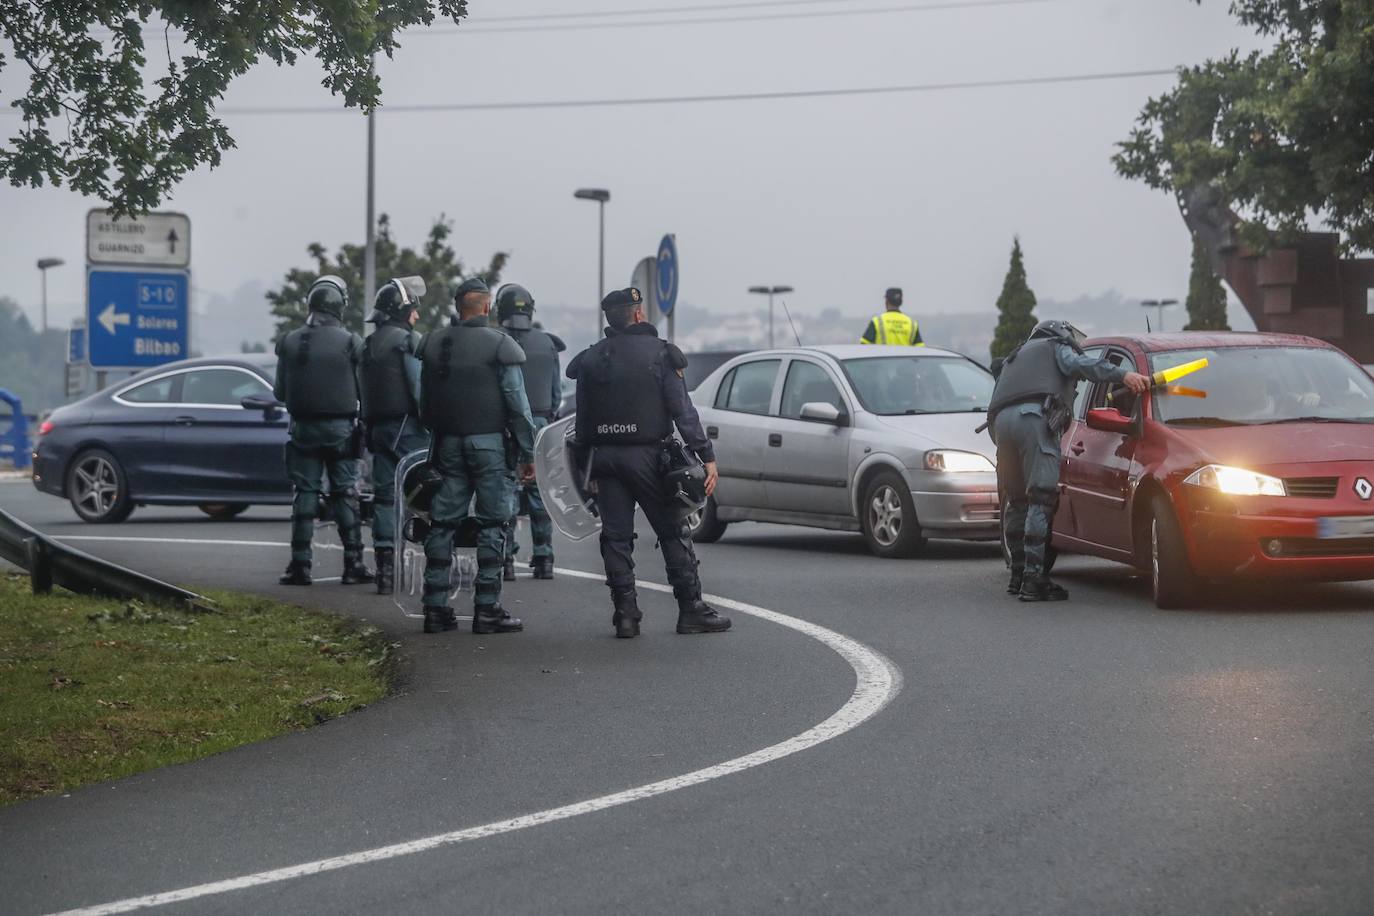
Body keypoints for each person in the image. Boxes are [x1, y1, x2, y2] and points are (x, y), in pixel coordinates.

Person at [567, 287, 731, 638]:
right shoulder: (660, 354)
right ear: (639, 314)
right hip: (648, 458)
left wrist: (587, 470)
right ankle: (691, 610)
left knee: (616, 537)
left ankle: (625, 615)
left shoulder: (591, 358)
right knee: (672, 530)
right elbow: (682, 411)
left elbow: (581, 425)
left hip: (605, 459)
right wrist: (707, 455)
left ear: (609, 319)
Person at [987, 319, 1149, 602]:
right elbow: (1080, 366)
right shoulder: (1055, 347)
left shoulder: (1017, 355)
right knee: (1041, 498)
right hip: (1033, 419)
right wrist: (1123, 376)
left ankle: (1017, 575)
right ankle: (1034, 580)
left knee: (1016, 500)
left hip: (1001, 425)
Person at [415, 277, 536, 635]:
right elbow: (518, 406)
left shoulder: (433, 343)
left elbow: (424, 404)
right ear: (486, 307)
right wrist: (528, 452)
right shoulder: (500, 345)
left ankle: (434, 609)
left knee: (442, 523)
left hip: (447, 445)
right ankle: (487, 609)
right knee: (493, 523)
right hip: (489, 448)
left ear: (458, 307)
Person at [273, 275, 373, 587]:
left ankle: (300, 565)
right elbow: (364, 389)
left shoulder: (289, 341)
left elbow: (280, 392)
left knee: (304, 493)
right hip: (341, 430)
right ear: (340, 307)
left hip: (302, 429)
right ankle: (353, 563)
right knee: (344, 492)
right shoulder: (351, 342)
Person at [361, 277, 430, 595]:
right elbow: (418, 388)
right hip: (408, 432)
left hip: (378, 431)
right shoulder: (407, 340)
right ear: (402, 310)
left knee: (385, 500)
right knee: (430, 496)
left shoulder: (369, 343)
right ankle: (437, 568)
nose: (416, 315)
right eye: (413, 309)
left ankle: (385, 571)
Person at [494, 283, 564, 581]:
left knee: (506, 491)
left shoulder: (495, 342)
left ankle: (506, 560)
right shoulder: (548, 344)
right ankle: (545, 558)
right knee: (540, 492)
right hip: (541, 424)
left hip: (505, 425)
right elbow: (556, 393)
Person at [859, 287, 923, 347]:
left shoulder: (877, 321)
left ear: (886, 301)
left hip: (882, 358)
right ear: (901, 302)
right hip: (905, 359)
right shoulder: (912, 323)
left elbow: (864, 344)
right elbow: (920, 348)